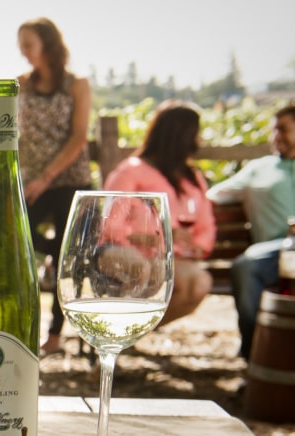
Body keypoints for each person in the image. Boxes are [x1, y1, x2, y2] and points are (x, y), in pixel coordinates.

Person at [16, 17, 94, 356]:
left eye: (28, 43)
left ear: (48, 44)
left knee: (68, 261)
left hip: (68, 182)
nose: (23, 51)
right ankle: (53, 260)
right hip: (32, 183)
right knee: (18, 238)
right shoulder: (21, 84)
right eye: (20, 44)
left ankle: (55, 333)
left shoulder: (76, 85)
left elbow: (79, 137)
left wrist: (47, 176)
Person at [104, 100, 214, 326]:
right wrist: (158, 234)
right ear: (179, 136)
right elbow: (111, 224)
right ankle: (115, 332)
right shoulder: (130, 171)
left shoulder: (192, 178)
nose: (199, 140)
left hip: (170, 255)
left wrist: (197, 246)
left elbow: (205, 225)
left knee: (199, 282)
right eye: (196, 134)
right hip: (122, 250)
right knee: (144, 268)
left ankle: (134, 333)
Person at [208, 104, 295, 359]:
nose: (277, 137)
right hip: (275, 252)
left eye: (284, 130)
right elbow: (215, 195)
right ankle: (256, 353)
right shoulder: (260, 168)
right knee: (246, 265)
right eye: (274, 130)